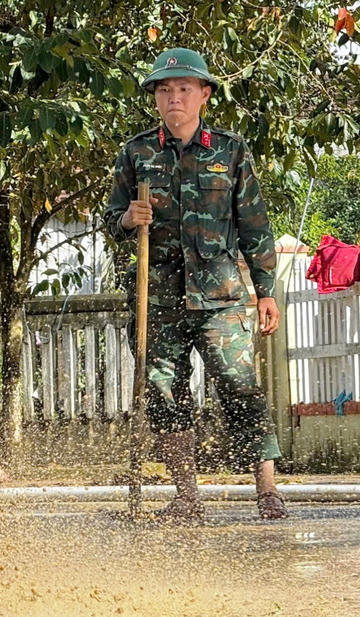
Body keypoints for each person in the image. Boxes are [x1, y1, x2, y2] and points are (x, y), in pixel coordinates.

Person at [102, 48, 288, 522]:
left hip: (222, 296)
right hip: (157, 297)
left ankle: (267, 489)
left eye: (183, 89)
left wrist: (265, 289)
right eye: (164, 90)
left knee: (239, 385)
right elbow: (109, 219)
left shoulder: (231, 150)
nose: (173, 98)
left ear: (204, 94)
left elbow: (254, 223)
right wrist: (127, 217)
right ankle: (186, 496)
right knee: (164, 393)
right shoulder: (137, 153)